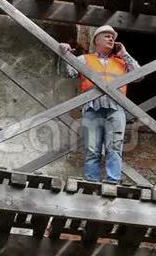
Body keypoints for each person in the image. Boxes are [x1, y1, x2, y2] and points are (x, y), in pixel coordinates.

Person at [59, 25, 140, 183]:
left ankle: (112, 181)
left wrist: (124, 53)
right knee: (92, 148)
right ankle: (91, 181)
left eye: (112, 37)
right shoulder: (85, 59)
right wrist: (65, 54)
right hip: (92, 108)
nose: (111, 38)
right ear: (96, 40)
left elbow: (138, 76)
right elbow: (69, 73)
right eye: (107, 36)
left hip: (115, 109)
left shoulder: (121, 62)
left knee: (115, 147)